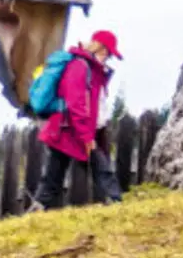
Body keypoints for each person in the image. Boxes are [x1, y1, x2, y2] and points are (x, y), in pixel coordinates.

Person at [32, 31, 123, 210]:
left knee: (54, 175)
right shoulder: (80, 66)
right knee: (101, 169)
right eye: (108, 53)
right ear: (100, 48)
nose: (109, 57)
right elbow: (77, 103)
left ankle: (38, 207)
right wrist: (87, 137)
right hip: (72, 131)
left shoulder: (91, 69)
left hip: (70, 130)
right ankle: (116, 203)